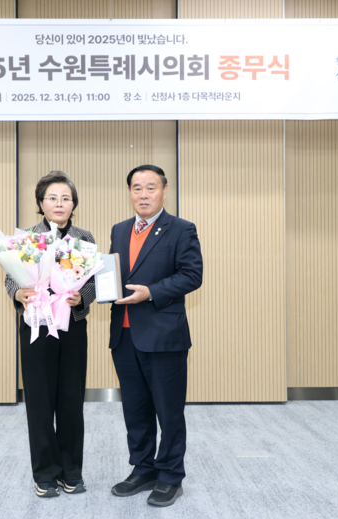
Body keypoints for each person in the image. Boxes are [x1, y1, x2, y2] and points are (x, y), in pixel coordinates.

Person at [108, 165, 203, 507]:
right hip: (124, 335)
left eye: (151, 187)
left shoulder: (181, 229)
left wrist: (151, 292)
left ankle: (171, 476)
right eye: (137, 188)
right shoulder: (119, 230)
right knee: (135, 410)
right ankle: (143, 468)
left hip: (164, 336)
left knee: (168, 410)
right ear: (129, 193)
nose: (143, 194)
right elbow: (114, 275)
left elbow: (192, 275)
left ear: (164, 190)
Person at [4, 171, 96, 498]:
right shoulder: (29, 237)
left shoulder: (84, 238)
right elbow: (11, 278)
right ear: (41, 203)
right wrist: (19, 294)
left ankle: (72, 471)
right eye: (52, 198)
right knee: (40, 401)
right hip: (36, 327)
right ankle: (44, 473)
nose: (59, 203)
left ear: (74, 204)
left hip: (72, 327)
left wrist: (82, 297)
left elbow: (92, 281)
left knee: (71, 400)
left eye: (66, 198)